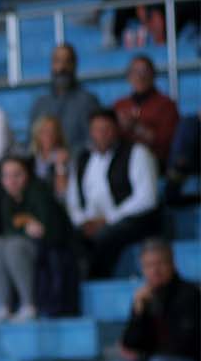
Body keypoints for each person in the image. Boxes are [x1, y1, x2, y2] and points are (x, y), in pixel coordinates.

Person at [110, 239, 200, 361]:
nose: (155, 270)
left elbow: (185, 343)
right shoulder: (144, 297)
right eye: (149, 265)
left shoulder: (190, 294)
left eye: (160, 263)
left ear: (172, 264)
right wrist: (139, 313)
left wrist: (146, 354)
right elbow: (129, 344)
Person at [0, 157, 71, 324]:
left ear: (27, 175)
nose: (11, 181)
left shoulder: (39, 192)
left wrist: (24, 226)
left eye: (17, 175)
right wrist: (25, 225)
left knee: (13, 246)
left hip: (51, 248)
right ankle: (4, 306)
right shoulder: (6, 200)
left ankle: (29, 305)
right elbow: (11, 228)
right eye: (6, 176)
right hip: (27, 243)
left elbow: (46, 230)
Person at [68, 110, 162, 278]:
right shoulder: (82, 158)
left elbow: (147, 197)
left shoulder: (137, 153)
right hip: (91, 221)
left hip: (132, 220)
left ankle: (96, 281)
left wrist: (109, 219)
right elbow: (72, 200)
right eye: (97, 129)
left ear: (116, 129)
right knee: (65, 236)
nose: (102, 134)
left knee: (105, 236)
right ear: (91, 132)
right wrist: (83, 221)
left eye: (107, 129)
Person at [29, 44, 100, 155]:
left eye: (67, 61)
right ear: (51, 65)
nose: (62, 67)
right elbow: (31, 143)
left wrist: (68, 155)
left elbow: (94, 142)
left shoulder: (88, 101)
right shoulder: (40, 103)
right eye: (57, 61)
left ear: (74, 65)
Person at [113, 55, 180, 168]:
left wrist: (137, 127)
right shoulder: (119, 105)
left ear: (153, 75)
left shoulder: (166, 105)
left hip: (155, 160)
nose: (140, 76)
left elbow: (167, 142)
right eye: (135, 72)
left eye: (145, 71)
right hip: (122, 161)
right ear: (128, 77)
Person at [29, 115, 72, 201]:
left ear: (58, 134)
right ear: (37, 134)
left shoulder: (65, 157)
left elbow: (63, 192)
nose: (48, 135)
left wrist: (60, 166)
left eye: (52, 131)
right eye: (44, 131)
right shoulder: (31, 159)